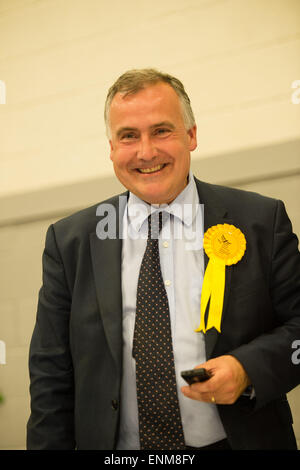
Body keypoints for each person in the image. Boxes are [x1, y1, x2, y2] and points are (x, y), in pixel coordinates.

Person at [27, 68, 300, 450]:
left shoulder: (261, 221)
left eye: (161, 131)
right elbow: (51, 374)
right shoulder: (69, 241)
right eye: (128, 136)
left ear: (191, 136)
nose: (146, 152)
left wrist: (248, 369)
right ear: (111, 148)